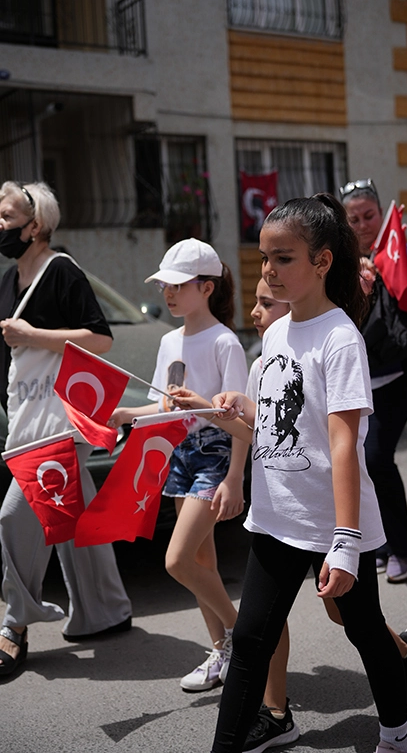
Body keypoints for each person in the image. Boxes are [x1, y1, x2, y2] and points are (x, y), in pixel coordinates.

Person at [176, 275, 407, 752]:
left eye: (282, 259)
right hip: (277, 520)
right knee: (251, 640)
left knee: (360, 627)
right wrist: (226, 408)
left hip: (331, 520)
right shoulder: (273, 337)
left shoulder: (339, 337)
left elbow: (343, 445)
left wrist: (346, 539)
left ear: (320, 263)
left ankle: (397, 736)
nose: (269, 269)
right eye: (267, 257)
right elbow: (265, 426)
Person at [0, 181, 132, 678]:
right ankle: (107, 611)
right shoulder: (9, 278)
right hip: (28, 419)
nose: (1, 226)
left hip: (59, 423)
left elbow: (100, 339)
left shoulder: (62, 271)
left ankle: (15, 623)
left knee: (14, 517)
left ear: (35, 227)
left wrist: (34, 335)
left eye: (7, 217)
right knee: (78, 521)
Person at [109, 237, 249, 692]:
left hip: (216, 455)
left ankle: (246, 639)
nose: (167, 294)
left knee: (177, 560)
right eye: (163, 285)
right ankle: (222, 651)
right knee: (201, 559)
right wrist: (127, 414)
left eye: (177, 285)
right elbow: (165, 407)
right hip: (181, 455)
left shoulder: (226, 341)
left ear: (207, 287)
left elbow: (241, 419)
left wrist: (235, 478)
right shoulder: (169, 339)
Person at [341, 178, 407, 582]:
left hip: (394, 378)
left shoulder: (399, 253)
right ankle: (379, 545)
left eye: (369, 216)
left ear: (382, 215)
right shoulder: (336, 262)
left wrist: (392, 276)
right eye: (353, 218)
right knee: (358, 464)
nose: (362, 224)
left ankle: (401, 547)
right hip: (353, 381)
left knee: (376, 459)